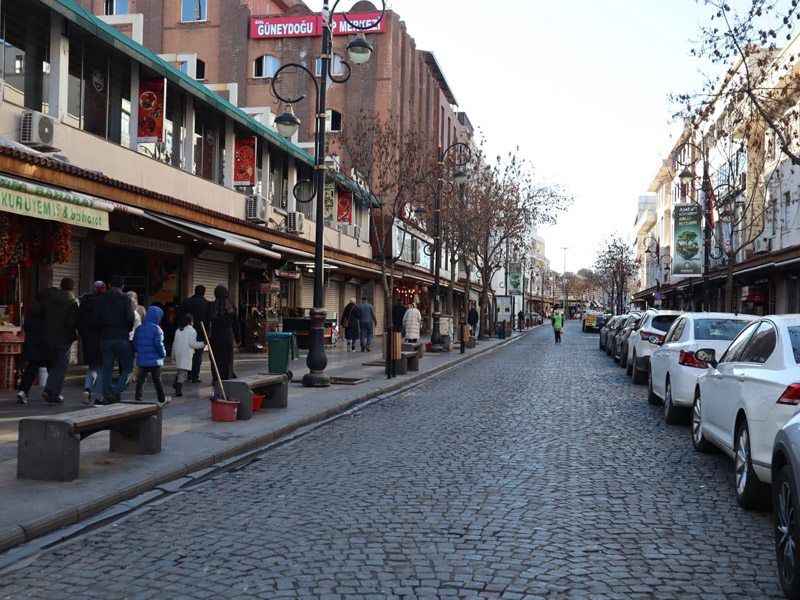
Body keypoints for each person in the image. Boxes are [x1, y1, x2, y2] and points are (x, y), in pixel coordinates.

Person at [32, 277, 79, 406]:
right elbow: (71, 323)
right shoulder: (73, 302)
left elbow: (36, 310)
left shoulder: (50, 298)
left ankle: (50, 390)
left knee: (54, 365)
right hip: (64, 339)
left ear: (60, 286)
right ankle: (53, 394)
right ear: (73, 287)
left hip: (48, 337)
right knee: (61, 366)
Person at [94, 274, 135, 404]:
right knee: (128, 367)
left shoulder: (101, 299)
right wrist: (126, 330)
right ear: (122, 286)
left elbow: (96, 318)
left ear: (109, 285)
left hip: (106, 337)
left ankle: (107, 395)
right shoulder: (126, 299)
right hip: (122, 337)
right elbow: (130, 318)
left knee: (107, 367)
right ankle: (117, 391)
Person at [132, 304, 170, 408]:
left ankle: (138, 398)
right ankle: (161, 399)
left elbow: (135, 343)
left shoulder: (140, 328)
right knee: (157, 379)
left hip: (143, 358)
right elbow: (159, 344)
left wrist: (141, 352)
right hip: (155, 360)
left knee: (141, 379)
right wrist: (163, 354)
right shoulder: (157, 329)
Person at [15, 294, 49, 405]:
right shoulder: (49, 311)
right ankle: (50, 391)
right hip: (45, 344)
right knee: (52, 367)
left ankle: (23, 391)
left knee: (31, 368)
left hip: (32, 343)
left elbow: (27, 327)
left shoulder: (32, 311)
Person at [78, 281, 107, 405]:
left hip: (87, 339)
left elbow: (78, 321)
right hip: (101, 338)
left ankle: (88, 388)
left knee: (92, 366)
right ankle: (99, 397)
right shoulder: (104, 303)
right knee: (101, 368)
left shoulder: (83, 302)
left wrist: (83, 335)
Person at [208, 284, 241, 382]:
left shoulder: (210, 306)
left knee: (215, 357)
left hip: (214, 336)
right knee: (227, 358)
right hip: (228, 335)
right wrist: (238, 338)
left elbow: (205, 322)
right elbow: (236, 324)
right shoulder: (232, 307)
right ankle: (227, 376)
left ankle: (216, 377)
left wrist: (203, 338)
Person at [179, 285, 210, 383]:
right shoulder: (207, 304)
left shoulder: (187, 302)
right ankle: (195, 375)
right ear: (204, 293)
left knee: (187, 354)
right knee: (198, 355)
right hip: (201, 332)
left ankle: (188, 373)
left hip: (187, 331)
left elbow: (180, 315)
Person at [171, 313, 205, 397]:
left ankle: (176, 383)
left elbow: (174, 343)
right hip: (186, 353)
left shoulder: (178, 330)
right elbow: (193, 344)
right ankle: (178, 388)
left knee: (181, 369)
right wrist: (203, 344)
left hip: (178, 352)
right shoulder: (192, 331)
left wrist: (173, 355)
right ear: (191, 322)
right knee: (183, 371)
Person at [127, 290, 144, 385]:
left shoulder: (141, 309)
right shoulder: (141, 309)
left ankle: (131, 376)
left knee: (133, 357)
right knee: (134, 357)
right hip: (133, 336)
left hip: (132, 336)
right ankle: (132, 376)